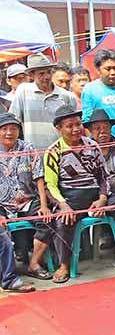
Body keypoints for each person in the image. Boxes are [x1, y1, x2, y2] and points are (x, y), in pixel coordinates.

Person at [40, 105, 115, 283]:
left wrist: (102, 198)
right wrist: (64, 206)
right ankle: (63, 265)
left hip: (98, 196)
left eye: (78, 124)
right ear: (59, 129)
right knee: (61, 221)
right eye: (69, 126)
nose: (75, 129)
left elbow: (103, 177)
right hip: (71, 199)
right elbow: (50, 186)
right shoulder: (53, 151)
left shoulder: (92, 145)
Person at [0, 111, 51, 281]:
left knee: (48, 220)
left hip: (28, 201)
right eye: (4, 129)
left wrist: (44, 205)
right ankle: (7, 272)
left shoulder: (27, 147)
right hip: (2, 205)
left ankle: (34, 264)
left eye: (13, 128)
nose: (9, 133)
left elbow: (39, 177)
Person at [9, 53, 77, 150]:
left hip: (60, 154)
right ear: (31, 75)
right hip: (32, 155)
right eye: (41, 73)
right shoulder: (23, 92)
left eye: (49, 72)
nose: (46, 77)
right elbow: (14, 121)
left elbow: (73, 127)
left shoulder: (67, 96)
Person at [82, 50, 115, 138]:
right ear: (98, 70)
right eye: (108, 69)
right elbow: (87, 123)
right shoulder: (89, 90)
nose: (113, 72)